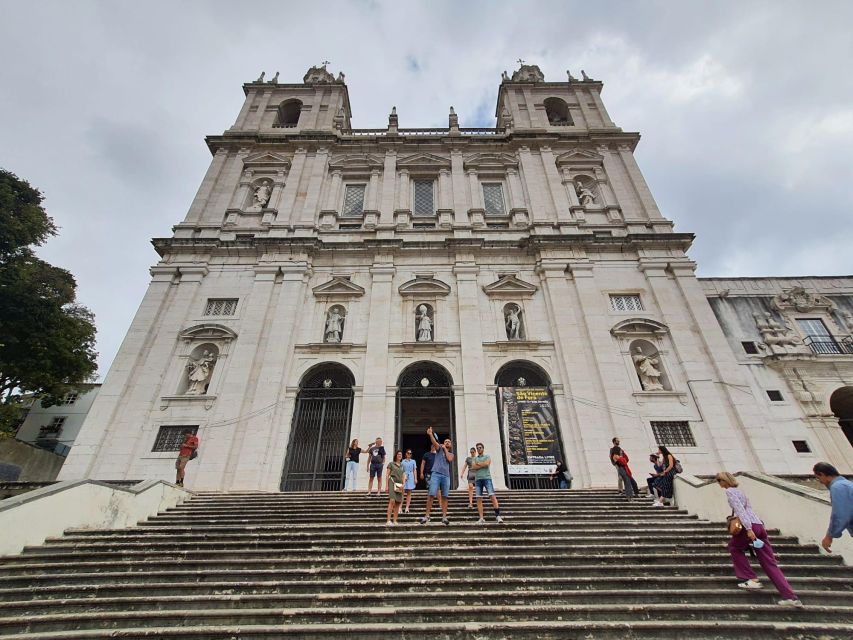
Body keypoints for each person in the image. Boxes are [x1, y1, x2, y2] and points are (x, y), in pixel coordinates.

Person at [715, 472, 803, 607]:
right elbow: (749, 509)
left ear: (724, 481)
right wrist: (755, 527)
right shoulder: (741, 492)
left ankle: (750, 578)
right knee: (769, 563)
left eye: (719, 481)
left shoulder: (730, 492)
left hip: (748, 527)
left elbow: (740, 511)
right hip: (759, 525)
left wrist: (749, 529)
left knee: (734, 547)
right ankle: (790, 596)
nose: (718, 484)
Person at [812, 462, 853, 553]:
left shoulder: (838, 487)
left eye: (819, 478)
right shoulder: (847, 484)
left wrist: (829, 536)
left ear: (822, 474)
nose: (821, 482)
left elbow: (840, 515)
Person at [420, 426, 454, 526]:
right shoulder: (439, 449)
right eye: (446, 441)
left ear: (450, 445)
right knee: (431, 494)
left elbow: (449, 459)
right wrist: (430, 434)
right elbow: (435, 443)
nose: (447, 442)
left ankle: (444, 517)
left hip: (446, 476)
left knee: (445, 496)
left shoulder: (451, 454)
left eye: (449, 442)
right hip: (435, 473)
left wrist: (445, 449)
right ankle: (426, 515)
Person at [472, 442, 504, 524]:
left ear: (483, 448)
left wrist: (479, 464)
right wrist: (481, 465)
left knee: (492, 496)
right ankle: (481, 518)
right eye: (477, 448)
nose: (479, 449)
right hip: (478, 480)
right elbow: (473, 467)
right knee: (478, 498)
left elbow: (487, 464)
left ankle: (498, 516)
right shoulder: (475, 458)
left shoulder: (487, 456)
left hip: (487, 478)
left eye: (480, 447)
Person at [385, 450, 409, 526]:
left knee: (398, 503)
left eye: (401, 454)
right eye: (398, 454)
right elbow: (387, 475)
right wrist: (386, 485)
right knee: (392, 501)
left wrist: (403, 485)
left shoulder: (402, 466)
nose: (400, 455)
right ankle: (388, 520)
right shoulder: (391, 464)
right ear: (396, 455)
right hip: (392, 482)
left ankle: (395, 520)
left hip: (400, 484)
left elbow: (404, 476)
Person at [401, 449, 418, 514]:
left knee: (409, 492)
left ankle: (407, 507)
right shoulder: (403, 461)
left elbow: (414, 470)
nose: (409, 454)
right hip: (404, 475)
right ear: (406, 454)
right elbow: (401, 470)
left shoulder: (413, 461)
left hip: (411, 476)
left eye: (410, 453)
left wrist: (415, 478)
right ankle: (400, 507)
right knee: (402, 492)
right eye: (408, 453)